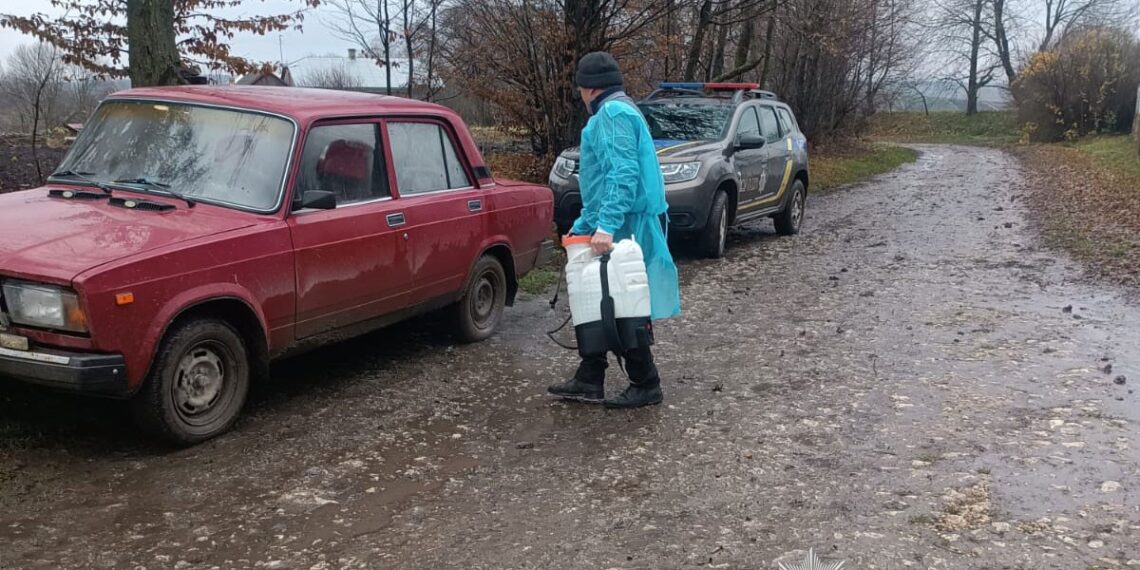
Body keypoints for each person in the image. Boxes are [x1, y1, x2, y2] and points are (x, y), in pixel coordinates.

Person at [547, 51, 682, 409]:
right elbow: (600, 183)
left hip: (627, 223)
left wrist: (606, 225)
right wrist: (583, 226)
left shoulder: (612, 114)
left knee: (624, 300)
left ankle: (645, 382)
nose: (580, 94)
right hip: (620, 219)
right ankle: (590, 374)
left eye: (580, 88)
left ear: (589, 88)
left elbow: (623, 174)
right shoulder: (620, 110)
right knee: (596, 296)